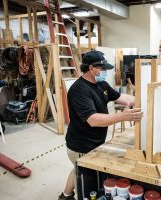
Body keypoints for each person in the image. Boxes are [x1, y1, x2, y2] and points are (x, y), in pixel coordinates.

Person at [58, 50, 143, 200]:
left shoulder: (101, 84)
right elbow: (93, 120)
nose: (104, 72)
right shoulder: (79, 90)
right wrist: (122, 116)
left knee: (77, 169)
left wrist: (144, 99)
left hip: (94, 142)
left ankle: (65, 195)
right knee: (85, 181)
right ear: (91, 68)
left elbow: (122, 97)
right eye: (102, 69)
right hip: (81, 145)